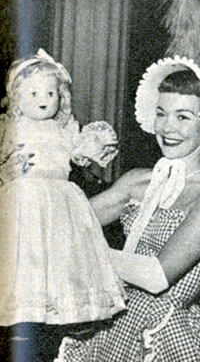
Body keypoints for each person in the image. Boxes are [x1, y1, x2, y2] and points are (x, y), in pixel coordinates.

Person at [56, 55, 200, 361]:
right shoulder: (137, 181)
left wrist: (81, 250)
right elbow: (63, 222)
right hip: (110, 323)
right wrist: (58, 155)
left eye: (183, 117)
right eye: (161, 113)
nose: (167, 127)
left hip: (163, 336)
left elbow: (155, 276)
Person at [0, 49, 127, 360]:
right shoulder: (12, 129)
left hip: (60, 208)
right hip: (24, 205)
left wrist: (95, 144)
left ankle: (52, 334)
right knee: (25, 263)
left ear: (61, 95)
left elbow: (86, 153)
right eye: (33, 93)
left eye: (50, 92)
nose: (43, 99)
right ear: (17, 97)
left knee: (59, 270)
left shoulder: (66, 130)